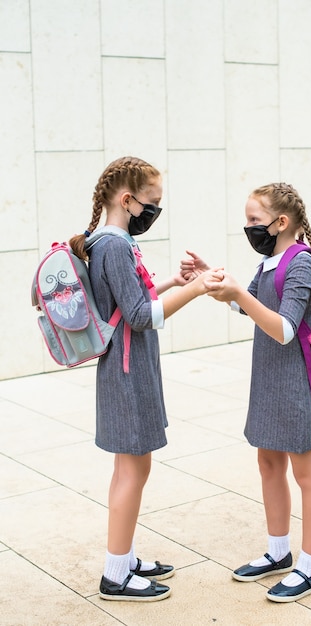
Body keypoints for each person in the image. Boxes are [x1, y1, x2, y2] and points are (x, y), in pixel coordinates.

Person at [181, 182, 311, 603]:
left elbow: (285, 329)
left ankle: (310, 568)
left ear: (281, 222)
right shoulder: (270, 261)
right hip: (267, 381)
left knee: (308, 475)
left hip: (294, 384)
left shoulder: (301, 264)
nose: (249, 227)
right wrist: (214, 283)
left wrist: (239, 293)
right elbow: (248, 306)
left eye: (255, 220)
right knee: (269, 464)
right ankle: (278, 552)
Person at [69, 156, 222, 602]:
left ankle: (125, 556)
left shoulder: (106, 241)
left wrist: (174, 280)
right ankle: (116, 574)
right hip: (127, 371)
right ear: (128, 199)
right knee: (133, 470)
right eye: (152, 203)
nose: (154, 212)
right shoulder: (115, 246)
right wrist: (196, 289)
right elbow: (137, 315)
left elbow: (129, 302)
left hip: (126, 368)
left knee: (129, 468)